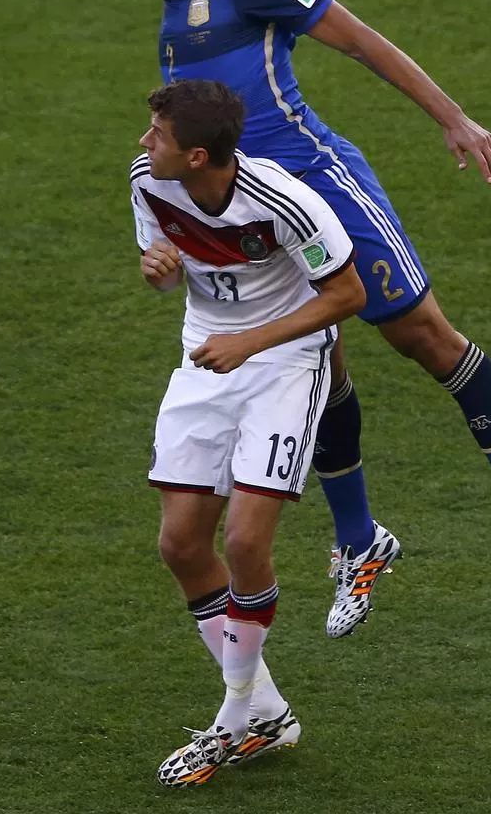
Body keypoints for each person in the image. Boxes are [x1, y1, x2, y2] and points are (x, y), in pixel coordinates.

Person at [101, 0, 491, 632]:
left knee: (425, 338)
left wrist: (453, 118)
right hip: (265, 221)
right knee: (319, 365)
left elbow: (357, 39)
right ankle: (360, 540)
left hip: (321, 185)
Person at [131, 78, 366, 786]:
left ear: (198, 155)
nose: (145, 143)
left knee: (243, 540)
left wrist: (255, 342)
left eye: (158, 135)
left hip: (287, 360)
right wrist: (160, 273)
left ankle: (233, 721)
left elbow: (347, 294)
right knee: (179, 544)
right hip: (206, 351)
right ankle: (266, 711)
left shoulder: (287, 203)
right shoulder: (150, 181)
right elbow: (164, 276)